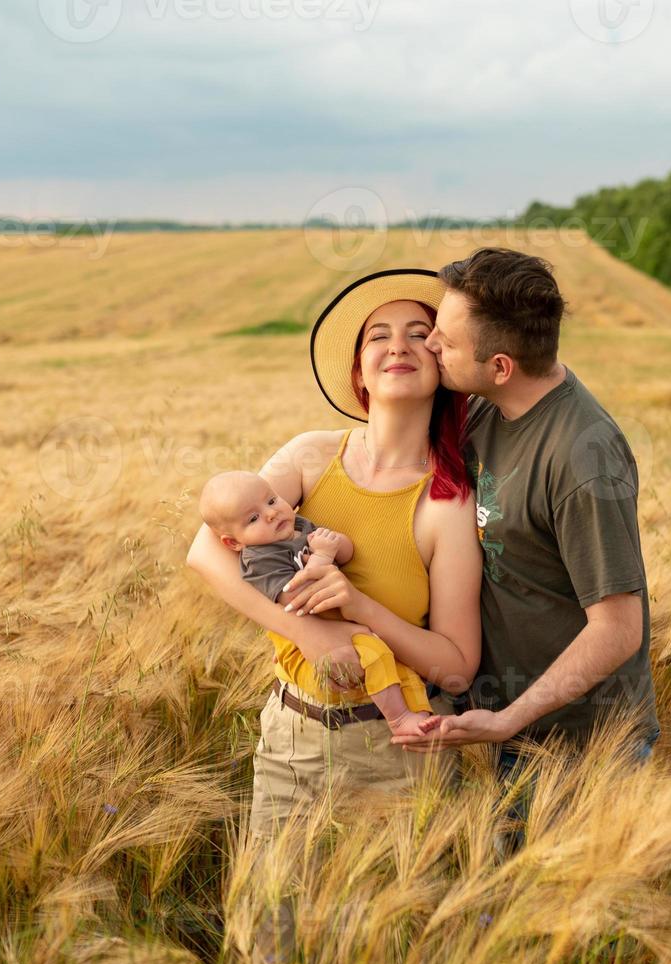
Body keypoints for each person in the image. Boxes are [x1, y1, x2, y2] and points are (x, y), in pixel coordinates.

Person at [184, 268, 482, 843]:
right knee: (268, 927)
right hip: (291, 741)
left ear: (443, 365)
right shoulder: (310, 456)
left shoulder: (447, 502)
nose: (398, 344)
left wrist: (360, 608)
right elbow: (206, 547)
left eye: (420, 333)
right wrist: (309, 635)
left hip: (397, 760)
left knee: (386, 935)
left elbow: (455, 666)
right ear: (358, 373)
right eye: (378, 335)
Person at [394, 247, 660, 785]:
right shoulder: (488, 404)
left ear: (500, 366)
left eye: (446, 339)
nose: (430, 344)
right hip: (503, 727)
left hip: (580, 748)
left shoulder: (584, 461)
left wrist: (509, 720)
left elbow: (617, 629)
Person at [197, 469, 432, 736]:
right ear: (233, 542)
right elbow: (299, 599)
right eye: (253, 518)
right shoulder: (260, 559)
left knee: (400, 664)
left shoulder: (298, 527)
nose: (271, 513)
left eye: (271, 501)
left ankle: (420, 716)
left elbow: (345, 552)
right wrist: (321, 556)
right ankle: (399, 719)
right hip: (309, 633)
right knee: (377, 657)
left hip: (338, 624)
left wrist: (334, 544)